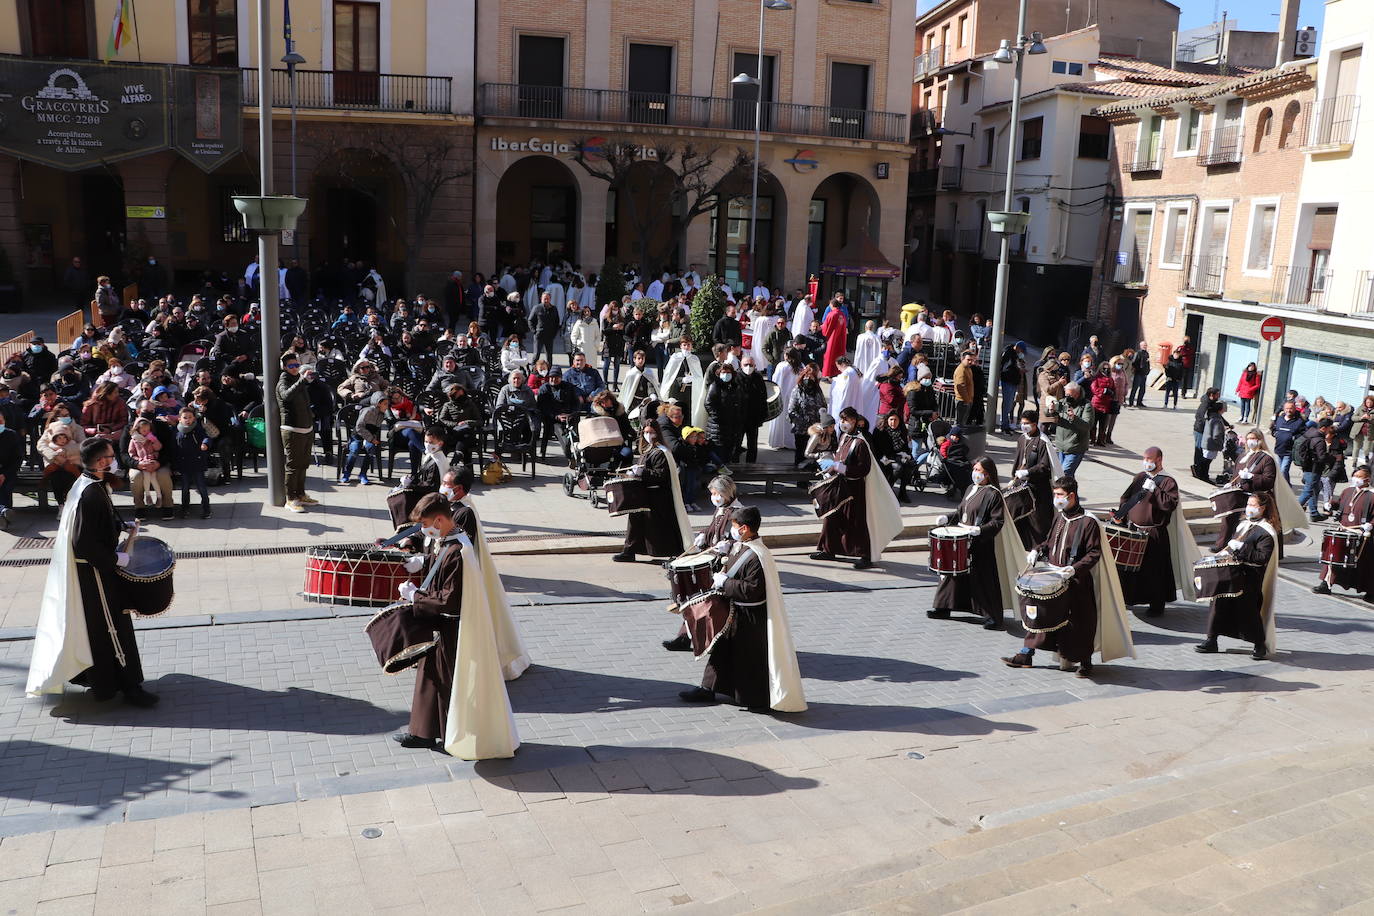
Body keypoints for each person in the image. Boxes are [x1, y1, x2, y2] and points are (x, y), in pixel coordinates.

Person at [26, 437, 159, 706]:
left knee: (104, 628)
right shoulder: (89, 493)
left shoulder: (91, 484)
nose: (114, 460)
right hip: (97, 574)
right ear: (101, 461)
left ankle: (107, 681)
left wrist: (119, 527)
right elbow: (83, 542)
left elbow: (94, 525)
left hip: (97, 572)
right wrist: (115, 558)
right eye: (111, 456)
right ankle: (129, 688)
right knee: (113, 628)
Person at [391, 493, 519, 759]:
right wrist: (423, 562)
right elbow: (440, 568)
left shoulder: (459, 550)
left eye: (425, 523)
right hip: (441, 625)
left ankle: (448, 734)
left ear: (439, 520)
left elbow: (450, 598)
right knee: (431, 678)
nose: (424, 530)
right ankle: (424, 732)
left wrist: (416, 596)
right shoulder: (447, 542)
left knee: (449, 683)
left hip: (454, 629)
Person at [1002, 477, 1133, 677]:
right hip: (1054, 576)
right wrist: (1037, 551)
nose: (1056, 499)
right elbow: (1049, 542)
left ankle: (1085, 662)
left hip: (1076, 580)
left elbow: (1094, 553)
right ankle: (1026, 654)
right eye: (1055, 494)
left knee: (1080, 623)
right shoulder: (1060, 517)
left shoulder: (1088, 522)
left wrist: (1074, 569)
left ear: (1071, 496)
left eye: (1059, 495)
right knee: (1042, 615)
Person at [678, 507, 806, 712]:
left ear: (744, 528)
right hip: (734, 611)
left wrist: (725, 583)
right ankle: (707, 688)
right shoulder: (742, 545)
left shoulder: (757, 556)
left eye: (734, 526)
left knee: (749, 658)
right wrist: (723, 554)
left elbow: (752, 590)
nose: (732, 529)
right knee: (721, 651)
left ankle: (755, 699)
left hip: (750, 616)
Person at [927, 456, 1022, 629]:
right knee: (953, 574)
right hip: (964, 538)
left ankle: (993, 616)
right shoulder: (971, 488)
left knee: (984, 580)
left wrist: (980, 530)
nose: (976, 474)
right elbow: (960, 512)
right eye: (975, 470)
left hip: (981, 543)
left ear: (988, 474)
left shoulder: (993, 494)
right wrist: (947, 518)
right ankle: (943, 606)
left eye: (980, 471)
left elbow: (997, 521)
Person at [810, 406, 903, 570]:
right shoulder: (844, 437)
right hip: (840, 485)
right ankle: (828, 549)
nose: (843, 423)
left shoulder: (860, 443)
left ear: (855, 421)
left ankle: (864, 555)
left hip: (855, 489)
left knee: (857, 522)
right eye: (842, 419)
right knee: (832, 517)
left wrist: (839, 467)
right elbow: (839, 457)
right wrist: (830, 467)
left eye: (847, 420)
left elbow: (863, 469)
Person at [1113, 446, 1200, 617]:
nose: (1146, 462)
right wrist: (1121, 515)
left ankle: (1156, 604)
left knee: (1154, 571)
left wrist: (1156, 491)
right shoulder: (1139, 477)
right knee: (1130, 569)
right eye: (1144, 458)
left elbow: (1169, 505)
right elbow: (1126, 497)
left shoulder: (1168, 482)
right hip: (1134, 530)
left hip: (1154, 533)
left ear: (1159, 460)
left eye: (1150, 459)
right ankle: (1129, 598)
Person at [663, 475, 743, 653]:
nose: (714, 497)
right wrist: (703, 535)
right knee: (697, 600)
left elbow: (741, 537)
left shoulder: (738, 512)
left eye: (717, 493)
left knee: (712, 603)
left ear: (727, 493)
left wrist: (728, 545)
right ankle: (684, 637)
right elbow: (712, 529)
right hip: (712, 559)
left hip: (725, 565)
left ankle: (715, 638)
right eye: (712, 493)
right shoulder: (722, 509)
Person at [1197, 492, 1278, 660]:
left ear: (1262, 508)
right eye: (1248, 504)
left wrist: (1242, 547)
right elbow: (1230, 547)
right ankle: (1211, 640)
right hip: (1231, 571)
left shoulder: (1267, 532)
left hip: (1250, 576)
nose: (1249, 508)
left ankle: (1259, 644)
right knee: (1218, 603)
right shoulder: (1243, 525)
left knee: (1248, 611)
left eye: (1253, 505)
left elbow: (1262, 558)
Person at [613, 424, 691, 563]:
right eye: (646, 432)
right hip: (644, 493)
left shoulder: (661, 452)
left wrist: (641, 472)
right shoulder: (648, 450)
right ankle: (629, 551)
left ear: (658, 433)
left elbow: (661, 475)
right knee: (635, 522)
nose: (648, 435)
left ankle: (675, 552)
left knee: (662, 526)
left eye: (652, 432)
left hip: (658, 496)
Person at [1218, 427, 1307, 547]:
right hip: (1239, 493)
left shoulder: (1267, 458)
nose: (1250, 441)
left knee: (1267, 525)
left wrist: (1251, 476)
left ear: (1260, 440)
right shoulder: (1242, 457)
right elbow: (1236, 475)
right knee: (1229, 518)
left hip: (1258, 496)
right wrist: (1231, 484)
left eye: (1253, 438)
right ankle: (1222, 545)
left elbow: (1269, 480)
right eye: (1248, 438)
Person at [1313, 464, 1374, 601]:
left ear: (1367, 479)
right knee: (1333, 557)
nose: (1356, 479)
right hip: (1344, 530)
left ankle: (1370, 591)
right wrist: (1331, 504)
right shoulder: (1347, 491)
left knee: (1365, 564)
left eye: (1359, 477)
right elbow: (1340, 504)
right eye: (1355, 476)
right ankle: (1326, 584)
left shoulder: (1371, 496)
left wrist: (1370, 525)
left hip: (1361, 534)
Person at [277, 353, 317, 513]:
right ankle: (290, 498)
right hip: (292, 430)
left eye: (296, 365)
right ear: (285, 367)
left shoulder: (297, 379)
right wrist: (302, 380)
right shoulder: (283, 381)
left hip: (306, 428)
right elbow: (286, 396)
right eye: (291, 366)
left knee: (303, 464)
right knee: (293, 466)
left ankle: (301, 494)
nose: (294, 368)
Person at [1010, 409, 1056, 548]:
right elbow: (1018, 460)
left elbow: (1044, 466)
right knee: (1020, 517)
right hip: (1021, 485)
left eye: (1027, 423)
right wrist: (1014, 477)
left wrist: (1028, 472)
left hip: (1037, 488)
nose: (1023, 426)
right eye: (1022, 423)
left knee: (1037, 521)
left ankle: (1039, 548)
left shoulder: (1043, 442)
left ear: (1035, 424)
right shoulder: (1022, 438)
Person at [172, 407, 213, 519]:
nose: (188, 420)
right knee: (185, 487)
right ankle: (185, 508)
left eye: (190, 417)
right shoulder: (177, 431)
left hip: (197, 462)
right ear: (180, 419)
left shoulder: (197, 429)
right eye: (185, 418)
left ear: (194, 418)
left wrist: (205, 444)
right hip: (184, 463)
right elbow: (174, 448)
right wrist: (175, 465)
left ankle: (206, 507)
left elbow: (207, 437)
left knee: (201, 487)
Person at [1053, 383, 1094, 479]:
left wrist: (1073, 417)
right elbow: (1047, 414)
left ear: (1077, 394)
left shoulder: (1086, 405)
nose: (1067, 397)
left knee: (1064, 475)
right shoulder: (1063, 402)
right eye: (1066, 394)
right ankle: (1072, 493)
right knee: (1067, 477)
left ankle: (1067, 493)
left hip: (1075, 447)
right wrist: (1050, 410)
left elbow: (1087, 425)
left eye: (1070, 395)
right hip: (1061, 446)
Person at [1297, 418, 1331, 522]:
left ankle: (1314, 514)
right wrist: (1331, 458)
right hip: (1313, 469)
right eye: (1329, 428)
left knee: (1313, 491)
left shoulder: (1310, 434)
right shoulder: (1320, 440)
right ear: (1324, 428)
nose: (1330, 430)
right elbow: (1321, 457)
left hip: (1307, 467)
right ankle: (1292, 511)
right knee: (1308, 491)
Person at [737, 355, 768, 464]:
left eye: (751, 365)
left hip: (753, 418)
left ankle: (751, 466)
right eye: (746, 365)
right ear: (741, 365)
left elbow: (763, 397)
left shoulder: (758, 378)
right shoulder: (736, 377)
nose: (748, 367)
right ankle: (735, 466)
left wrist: (763, 416)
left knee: (752, 445)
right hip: (739, 418)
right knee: (737, 443)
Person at [617, 349, 660, 423]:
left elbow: (650, 385)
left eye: (642, 358)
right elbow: (627, 391)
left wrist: (652, 394)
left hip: (646, 401)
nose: (640, 360)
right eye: (638, 358)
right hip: (633, 401)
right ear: (634, 359)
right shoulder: (631, 374)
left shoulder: (648, 372)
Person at [1270, 400, 1305, 485]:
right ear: (1284, 409)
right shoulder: (1280, 419)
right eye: (1287, 408)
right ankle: (1288, 485)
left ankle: (1285, 487)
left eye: (1291, 408)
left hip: (1289, 451)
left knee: (1283, 470)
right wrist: (1275, 434)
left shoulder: (1299, 421)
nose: (1289, 410)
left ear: (1294, 409)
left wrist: (1293, 438)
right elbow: (1273, 428)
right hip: (1279, 449)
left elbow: (1303, 434)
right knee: (1282, 470)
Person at [820, 298, 847, 378]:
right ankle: (838, 371)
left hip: (831, 339)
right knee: (837, 355)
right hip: (840, 339)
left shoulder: (832, 314)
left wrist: (822, 331)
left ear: (831, 305)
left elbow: (826, 328)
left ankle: (827, 373)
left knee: (829, 356)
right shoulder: (842, 314)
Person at [952, 351, 977, 428]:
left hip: (966, 400)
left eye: (972, 360)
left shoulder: (968, 369)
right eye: (968, 359)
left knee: (963, 423)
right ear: (962, 359)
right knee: (959, 424)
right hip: (962, 401)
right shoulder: (961, 370)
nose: (970, 362)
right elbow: (961, 386)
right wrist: (967, 400)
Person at [1127, 341, 1150, 407]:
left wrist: (1147, 371)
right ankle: (1131, 403)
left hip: (1144, 374)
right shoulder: (1138, 353)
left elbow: (1147, 363)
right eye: (1143, 345)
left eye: (1146, 345)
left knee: (1142, 390)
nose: (1145, 346)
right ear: (1140, 346)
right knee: (1135, 389)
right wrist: (1138, 369)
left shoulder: (1147, 353)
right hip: (1138, 374)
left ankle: (1139, 402)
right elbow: (1134, 363)